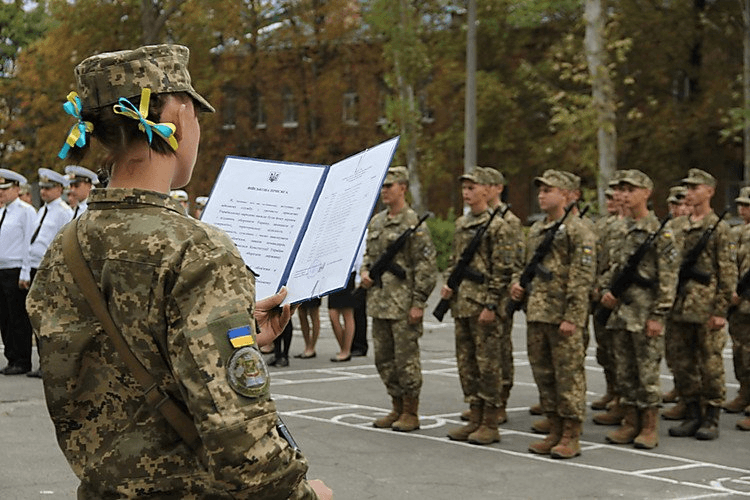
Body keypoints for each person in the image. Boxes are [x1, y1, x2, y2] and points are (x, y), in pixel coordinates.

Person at [26, 44, 331, 499]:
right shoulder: (198, 249)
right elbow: (239, 441)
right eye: (196, 114)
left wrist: (235, 326)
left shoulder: (67, 243)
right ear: (177, 115)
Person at [510, 169, 595, 459]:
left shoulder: (579, 230)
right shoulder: (536, 229)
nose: (542, 195)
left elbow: (582, 277)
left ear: (568, 195)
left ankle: (571, 434)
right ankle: (554, 428)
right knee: (544, 375)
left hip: (562, 317)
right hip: (537, 313)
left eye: (549, 190)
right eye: (541, 190)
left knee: (568, 376)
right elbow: (527, 268)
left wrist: (573, 316)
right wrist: (518, 287)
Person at [597, 170, 680, 449]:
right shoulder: (619, 229)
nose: (623, 195)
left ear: (646, 193)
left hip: (645, 314)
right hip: (620, 313)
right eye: (621, 189)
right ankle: (629, 421)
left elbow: (668, 280)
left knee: (647, 373)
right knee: (624, 370)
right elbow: (612, 268)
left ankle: (648, 426)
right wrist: (606, 291)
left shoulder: (660, 232)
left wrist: (659, 315)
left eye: (630, 189)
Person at [360, 166, 437, 432]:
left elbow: (426, 267)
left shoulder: (414, 225)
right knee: (384, 359)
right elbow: (369, 257)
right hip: (379, 302)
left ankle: (410, 411)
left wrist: (418, 303)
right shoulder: (377, 222)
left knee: (406, 360)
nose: (384, 191)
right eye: (382, 186)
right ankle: (395, 406)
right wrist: (365, 272)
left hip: (403, 305)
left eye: (389, 186)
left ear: (402, 188)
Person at [443, 167, 512, 445]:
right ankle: (475, 415)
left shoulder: (498, 226)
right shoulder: (462, 223)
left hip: (484, 305)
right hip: (463, 304)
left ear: (487, 189)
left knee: (489, 366)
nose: (467, 193)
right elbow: (455, 258)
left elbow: (502, 270)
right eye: (464, 188)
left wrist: (492, 305)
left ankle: (490, 422)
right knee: (467, 364)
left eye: (472, 188)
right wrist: (449, 283)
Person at [667, 168, 736, 441]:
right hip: (678, 306)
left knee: (710, 364)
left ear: (710, 191)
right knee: (682, 363)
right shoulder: (677, 226)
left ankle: (711, 416)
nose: (690, 192)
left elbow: (727, 272)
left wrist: (721, 310)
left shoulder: (719, 229)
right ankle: (692, 412)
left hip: (705, 308)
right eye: (688, 188)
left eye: (696, 188)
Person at [22, 168, 74, 377]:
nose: (43, 191)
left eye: (48, 187)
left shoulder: (63, 211)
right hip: (36, 267)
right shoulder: (43, 210)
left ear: (59, 188)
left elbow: (64, 243)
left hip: (52, 269)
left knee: (51, 320)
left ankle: (52, 364)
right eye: (42, 187)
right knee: (38, 317)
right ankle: (44, 362)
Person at [480, 166, 522, 424]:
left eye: (486, 184)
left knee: (500, 349)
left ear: (497, 188)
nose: (480, 189)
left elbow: (515, 260)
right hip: (478, 294)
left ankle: (501, 400)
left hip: (502, 293)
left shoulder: (509, 221)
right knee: (482, 351)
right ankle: (483, 401)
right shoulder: (479, 217)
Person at [0, 169, 37, 375]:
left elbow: (27, 244)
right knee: (4, 317)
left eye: (5, 189)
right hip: (2, 268)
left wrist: (25, 272)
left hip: (15, 270)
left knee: (18, 317)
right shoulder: (2, 212)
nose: (1, 193)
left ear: (16, 189)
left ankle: (22, 360)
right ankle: (11, 357)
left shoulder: (26, 211)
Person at [726, 186, 750, 424]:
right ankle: (744, 392)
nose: (742, 210)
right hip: (738, 303)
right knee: (739, 352)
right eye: (741, 205)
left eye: (747, 206)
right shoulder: (737, 232)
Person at [328, 271, 357, 362]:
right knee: (332, 314)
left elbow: (358, 260)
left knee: (347, 313)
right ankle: (344, 348)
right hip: (333, 275)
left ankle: (346, 351)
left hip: (348, 274)